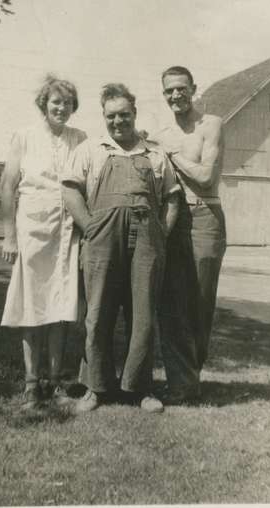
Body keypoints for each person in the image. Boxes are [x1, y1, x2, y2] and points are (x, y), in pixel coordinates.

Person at [61, 83, 180, 413]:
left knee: (142, 314)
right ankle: (95, 388)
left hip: (146, 240)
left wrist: (161, 234)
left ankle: (139, 389)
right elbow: (71, 190)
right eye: (111, 116)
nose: (118, 122)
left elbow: (172, 198)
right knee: (98, 312)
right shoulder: (90, 150)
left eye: (124, 115)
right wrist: (91, 227)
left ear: (134, 114)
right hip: (101, 238)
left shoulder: (154, 154)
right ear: (104, 117)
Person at [0, 75, 86, 410]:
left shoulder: (80, 139)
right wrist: (9, 235)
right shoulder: (24, 137)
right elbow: (8, 186)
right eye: (55, 102)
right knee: (31, 306)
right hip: (32, 231)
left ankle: (56, 382)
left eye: (67, 102)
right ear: (44, 104)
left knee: (60, 307)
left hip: (66, 232)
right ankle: (31, 384)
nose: (61, 108)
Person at [154, 65, 226, 403]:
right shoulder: (162, 133)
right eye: (169, 90)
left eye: (181, 88)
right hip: (174, 216)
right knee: (170, 301)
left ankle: (190, 377)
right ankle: (179, 381)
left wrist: (172, 156)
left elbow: (207, 177)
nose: (175, 95)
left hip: (206, 215)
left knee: (199, 302)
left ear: (193, 88)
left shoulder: (211, 125)